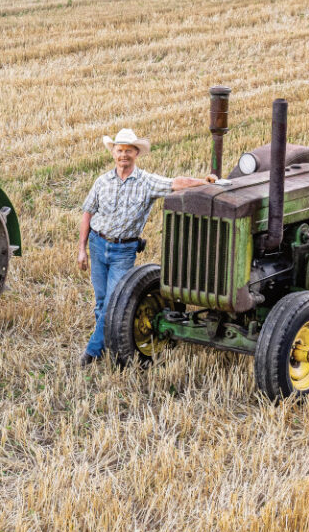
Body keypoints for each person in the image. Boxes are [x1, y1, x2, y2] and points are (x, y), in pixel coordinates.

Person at [76, 128, 214, 365]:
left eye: (128, 151)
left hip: (123, 250)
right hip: (98, 244)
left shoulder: (147, 182)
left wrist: (203, 181)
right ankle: (108, 341)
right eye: (119, 150)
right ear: (113, 153)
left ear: (136, 153)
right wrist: (81, 249)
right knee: (101, 301)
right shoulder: (102, 182)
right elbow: (88, 213)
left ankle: (92, 352)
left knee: (112, 303)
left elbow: (176, 183)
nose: (124, 155)